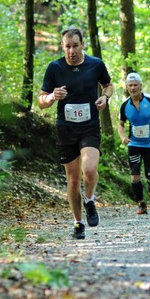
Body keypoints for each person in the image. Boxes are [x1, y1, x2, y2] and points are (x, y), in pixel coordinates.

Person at [38, 27, 114, 240]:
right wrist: (52, 96)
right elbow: (41, 101)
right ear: (62, 47)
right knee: (72, 179)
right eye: (67, 47)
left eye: (75, 46)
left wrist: (105, 98)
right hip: (66, 128)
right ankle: (78, 223)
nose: (71, 51)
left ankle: (89, 200)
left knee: (89, 170)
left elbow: (108, 86)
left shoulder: (95, 64)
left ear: (82, 45)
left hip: (89, 126)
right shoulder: (54, 68)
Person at [116, 72, 150, 215]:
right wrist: (123, 137)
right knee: (135, 176)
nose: (133, 88)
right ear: (127, 87)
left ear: (141, 86)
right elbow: (120, 124)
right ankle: (141, 203)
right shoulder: (124, 105)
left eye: (135, 85)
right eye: (130, 85)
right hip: (134, 144)